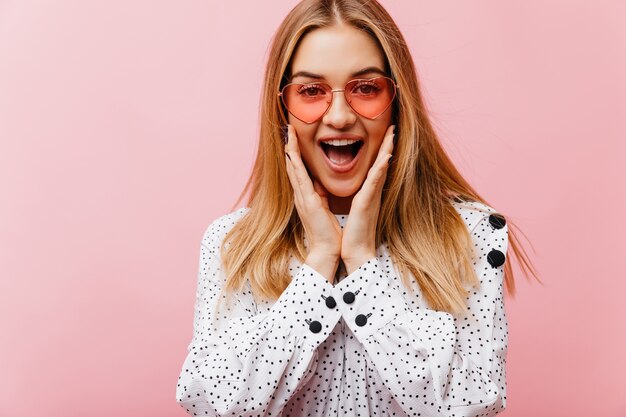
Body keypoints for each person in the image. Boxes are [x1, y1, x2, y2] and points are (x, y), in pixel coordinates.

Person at [176, 0, 538, 416]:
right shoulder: (232, 244)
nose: (341, 116)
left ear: (397, 101)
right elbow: (214, 404)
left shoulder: (472, 235)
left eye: (365, 88)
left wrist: (364, 265)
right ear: (283, 107)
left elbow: (471, 405)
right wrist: (319, 263)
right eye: (311, 91)